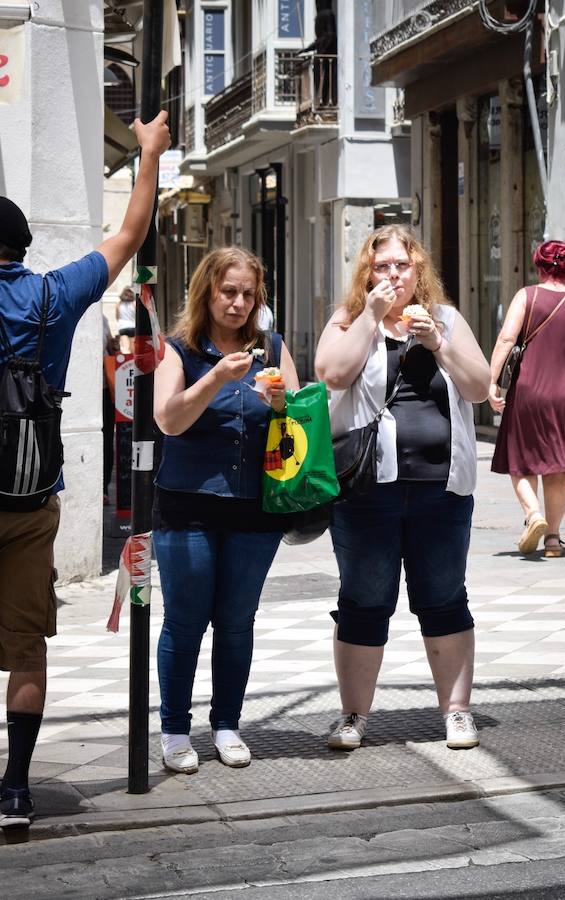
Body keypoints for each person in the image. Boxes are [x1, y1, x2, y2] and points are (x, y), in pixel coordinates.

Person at [0, 110, 171, 828]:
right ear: (22, 248)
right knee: (25, 649)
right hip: (29, 499)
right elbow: (128, 234)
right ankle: (16, 791)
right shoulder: (51, 295)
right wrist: (149, 152)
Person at [314, 224, 490, 753]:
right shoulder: (348, 319)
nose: (393, 274)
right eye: (382, 266)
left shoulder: (446, 320)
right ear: (368, 274)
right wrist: (370, 316)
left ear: (418, 271)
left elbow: (479, 387)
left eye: (402, 265)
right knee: (363, 599)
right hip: (368, 489)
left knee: (444, 597)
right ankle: (353, 715)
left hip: (442, 487)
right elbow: (331, 374)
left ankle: (457, 712)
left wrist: (438, 343)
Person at [153, 246, 299, 774]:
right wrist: (215, 378)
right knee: (185, 620)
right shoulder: (178, 349)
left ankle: (227, 724)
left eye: (248, 295)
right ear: (207, 292)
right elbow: (168, 419)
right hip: (188, 504)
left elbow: (299, 418)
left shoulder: (272, 347)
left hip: (255, 506)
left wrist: (281, 403)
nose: (238, 304)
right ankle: (174, 730)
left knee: (237, 622)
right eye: (228, 292)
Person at [489, 240, 565, 557]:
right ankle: (553, 539)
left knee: (521, 462)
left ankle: (533, 514)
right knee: (558, 468)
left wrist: (492, 381)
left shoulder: (527, 296)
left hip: (529, 393)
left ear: (539, 265)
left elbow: (507, 339)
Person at [102, 314, 118, 504]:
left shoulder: (103, 319)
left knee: (107, 438)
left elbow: (111, 349)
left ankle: (104, 487)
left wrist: (114, 346)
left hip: (105, 388)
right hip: (87, 389)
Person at [116, 285, 135, 352]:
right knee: (132, 347)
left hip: (123, 327)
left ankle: (126, 357)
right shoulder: (134, 304)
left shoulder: (119, 304)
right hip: (132, 326)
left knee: (125, 347)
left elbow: (117, 317)